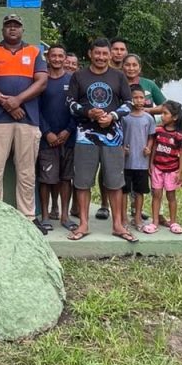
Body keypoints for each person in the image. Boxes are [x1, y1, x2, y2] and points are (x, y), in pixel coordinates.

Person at [0, 14, 48, 223]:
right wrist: (7, 103)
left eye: (16, 26)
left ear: (22, 30)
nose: (12, 29)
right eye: (8, 26)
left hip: (28, 121)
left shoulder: (34, 52)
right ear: (2, 30)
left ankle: (27, 218)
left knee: (27, 174)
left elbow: (42, 82)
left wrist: (17, 100)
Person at [66, 36, 133, 241]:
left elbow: (129, 103)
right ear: (90, 54)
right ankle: (83, 224)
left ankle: (118, 225)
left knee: (114, 181)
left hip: (113, 137)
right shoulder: (78, 76)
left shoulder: (119, 76)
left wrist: (112, 116)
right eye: (97, 53)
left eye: (105, 54)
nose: (101, 57)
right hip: (85, 137)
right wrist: (88, 113)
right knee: (83, 181)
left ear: (110, 55)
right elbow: (70, 103)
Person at [37, 43, 77, 230]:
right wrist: (47, 133)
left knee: (66, 178)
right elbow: (35, 109)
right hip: (47, 140)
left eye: (61, 56)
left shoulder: (72, 80)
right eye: (54, 55)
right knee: (46, 179)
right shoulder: (41, 80)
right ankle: (45, 216)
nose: (57, 59)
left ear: (65, 58)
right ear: (48, 57)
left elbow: (77, 109)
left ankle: (65, 216)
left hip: (68, 138)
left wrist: (68, 130)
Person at [144, 101, 182, 234]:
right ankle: (155, 222)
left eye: (165, 113)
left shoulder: (180, 135)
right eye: (161, 113)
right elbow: (154, 148)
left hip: (172, 170)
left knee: (171, 196)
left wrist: (180, 173)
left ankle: (173, 222)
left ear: (175, 117)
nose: (162, 116)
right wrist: (151, 164)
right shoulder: (158, 130)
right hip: (157, 169)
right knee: (156, 195)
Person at [119, 84, 156, 229]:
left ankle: (138, 217)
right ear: (130, 99)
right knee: (124, 191)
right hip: (126, 162)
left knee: (140, 191)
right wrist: (122, 149)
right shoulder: (124, 118)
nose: (139, 100)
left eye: (141, 97)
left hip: (142, 163)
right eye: (135, 97)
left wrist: (149, 148)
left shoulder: (148, 118)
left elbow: (151, 137)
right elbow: (119, 136)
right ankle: (123, 218)